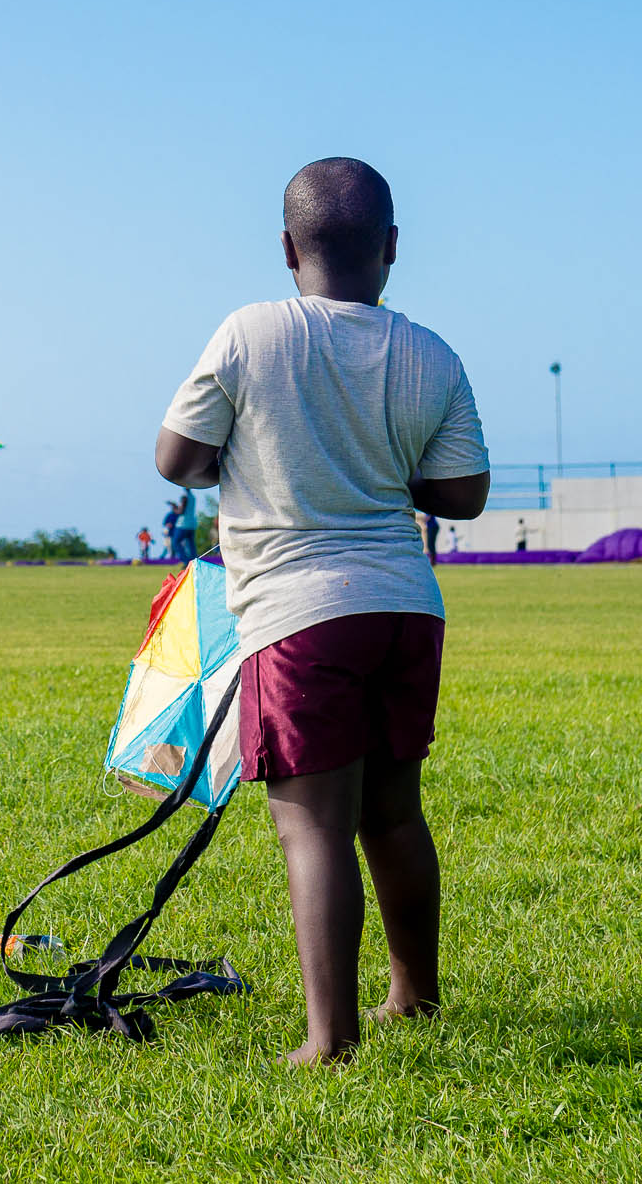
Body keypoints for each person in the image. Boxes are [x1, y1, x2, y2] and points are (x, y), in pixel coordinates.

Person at [154, 157, 489, 1064]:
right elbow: (464, 494)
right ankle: (413, 996)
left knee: (312, 824)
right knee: (393, 811)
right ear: (390, 249)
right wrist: (380, 472)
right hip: (405, 608)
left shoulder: (251, 332)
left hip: (299, 611)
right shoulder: (431, 352)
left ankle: (328, 1040)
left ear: (286, 248)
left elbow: (175, 459)